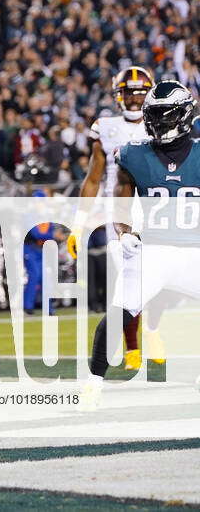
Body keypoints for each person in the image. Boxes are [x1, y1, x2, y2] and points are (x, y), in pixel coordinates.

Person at [84, 81, 200, 409]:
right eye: (154, 115)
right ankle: (92, 383)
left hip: (195, 250)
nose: (158, 123)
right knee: (120, 311)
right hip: (154, 251)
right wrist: (124, 232)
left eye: (165, 115)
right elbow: (121, 205)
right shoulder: (133, 154)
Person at [69, 67, 154, 371]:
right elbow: (93, 179)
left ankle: (152, 330)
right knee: (130, 277)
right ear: (119, 95)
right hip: (118, 212)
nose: (134, 98)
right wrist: (78, 225)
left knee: (158, 274)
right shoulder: (106, 127)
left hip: (152, 206)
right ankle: (133, 347)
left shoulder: (160, 123)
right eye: (129, 92)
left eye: (140, 92)